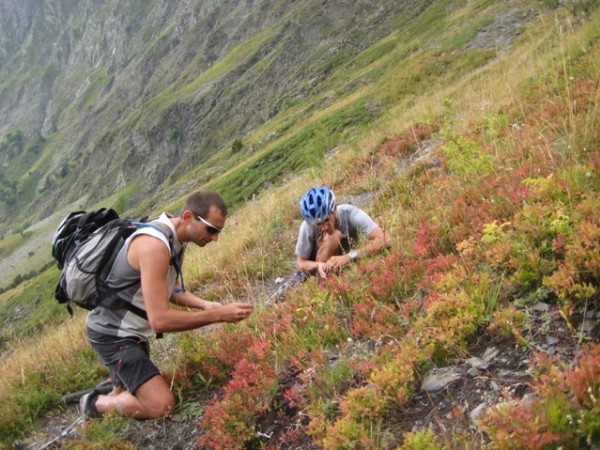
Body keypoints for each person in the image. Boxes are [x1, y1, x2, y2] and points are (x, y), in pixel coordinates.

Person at [80, 190, 253, 420]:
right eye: (211, 229)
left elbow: (169, 289)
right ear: (189, 217)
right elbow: (159, 320)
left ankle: (115, 392)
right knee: (162, 405)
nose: (215, 238)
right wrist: (218, 315)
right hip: (114, 335)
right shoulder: (155, 246)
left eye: (219, 231)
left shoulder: (176, 239)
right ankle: (93, 403)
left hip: (131, 332)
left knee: (125, 390)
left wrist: (205, 305)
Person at [295, 186, 389, 279]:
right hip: (318, 262)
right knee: (333, 237)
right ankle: (323, 281)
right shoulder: (307, 225)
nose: (324, 227)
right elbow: (300, 262)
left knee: (335, 235)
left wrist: (348, 257)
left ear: (334, 209)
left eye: (326, 220)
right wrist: (318, 265)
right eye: (318, 224)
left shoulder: (351, 213)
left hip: (346, 259)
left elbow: (385, 239)